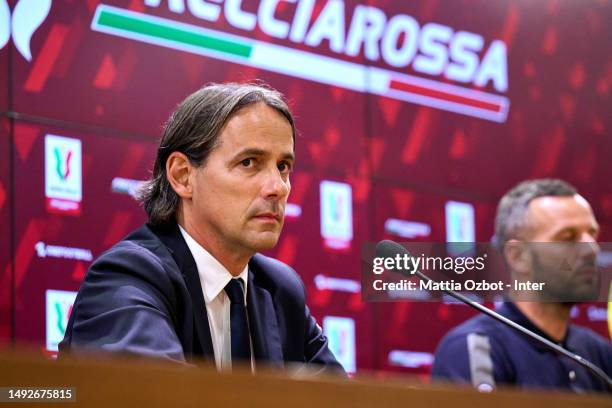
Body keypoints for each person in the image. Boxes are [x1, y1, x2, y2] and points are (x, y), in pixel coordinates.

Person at [59, 82, 344, 375]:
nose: (277, 187)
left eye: (283, 167)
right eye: (249, 163)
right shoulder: (127, 277)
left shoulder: (279, 288)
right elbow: (159, 397)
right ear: (183, 176)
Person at [431, 179, 611, 393]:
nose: (591, 249)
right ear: (518, 256)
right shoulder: (474, 348)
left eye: (592, 234)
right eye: (568, 237)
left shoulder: (599, 353)